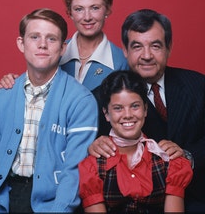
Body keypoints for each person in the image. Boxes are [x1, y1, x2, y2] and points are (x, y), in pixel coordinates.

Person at [88, 9, 205, 213]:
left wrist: (188, 157)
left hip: (200, 188)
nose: (146, 56)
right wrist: (93, 145)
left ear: (169, 47)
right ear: (125, 51)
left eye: (155, 46)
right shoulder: (103, 95)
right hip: (144, 202)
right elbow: (84, 155)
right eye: (137, 46)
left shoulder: (196, 85)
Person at [0, 8, 99, 213]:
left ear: (63, 48)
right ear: (21, 44)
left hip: (52, 203)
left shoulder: (81, 101)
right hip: (3, 198)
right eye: (34, 37)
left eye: (52, 39)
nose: (42, 44)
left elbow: (73, 171)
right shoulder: (2, 96)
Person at [0, 0, 128, 90]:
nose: (87, 17)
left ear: (107, 9)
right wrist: (13, 83)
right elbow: (34, 88)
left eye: (95, 8)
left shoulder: (122, 62)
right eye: (79, 9)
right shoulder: (52, 50)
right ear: (69, 12)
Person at [78, 70, 193, 213]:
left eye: (135, 106)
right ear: (106, 114)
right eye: (118, 108)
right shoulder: (92, 167)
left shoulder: (169, 161)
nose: (128, 115)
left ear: (145, 109)